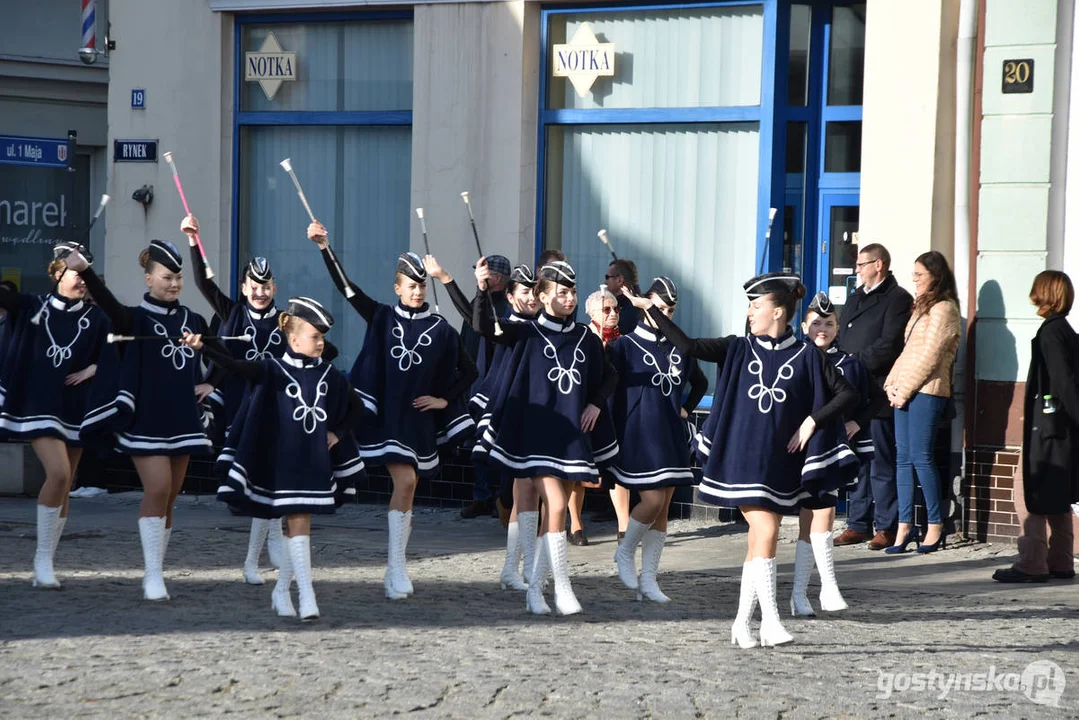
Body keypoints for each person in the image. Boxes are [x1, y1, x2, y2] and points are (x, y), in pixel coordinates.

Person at [632, 272, 859, 647]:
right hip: (742, 461)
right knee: (767, 532)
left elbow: (846, 394)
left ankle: (741, 623)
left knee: (759, 542)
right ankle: (769, 621)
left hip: (780, 465)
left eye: (757, 306)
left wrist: (810, 421)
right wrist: (652, 311)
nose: (750, 313)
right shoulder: (737, 347)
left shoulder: (807, 356)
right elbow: (687, 346)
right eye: (750, 306)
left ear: (779, 312)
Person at [308, 221, 477, 600]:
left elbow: (469, 371)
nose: (417, 291)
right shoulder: (382, 316)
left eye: (421, 286)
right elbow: (348, 290)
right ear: (397, 288)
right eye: (410, 286)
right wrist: (325, 248)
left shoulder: (442, 329)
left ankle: (394, 566)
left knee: (409, 484)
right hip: (380, 415)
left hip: (415, 421)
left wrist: (445, 400)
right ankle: (395, 566)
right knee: (405, 482)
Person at [180, 297, 364, 620]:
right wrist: (204, 348)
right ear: (293, 339)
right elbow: (236, 366)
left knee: (298, 527)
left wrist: (338, 432)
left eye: (323, 337)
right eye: (314, 336)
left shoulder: (329, 375)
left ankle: (282, 590)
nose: (321, 343)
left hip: (314, 464)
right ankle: (307, 595)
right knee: (298, 522)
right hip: (284, 463)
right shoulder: (272, 369)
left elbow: (356, 407)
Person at [68, 241, 214, 600]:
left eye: (178, 277)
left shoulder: (191, 320)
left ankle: (158, 568)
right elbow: (107, 302)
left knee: (171, 497)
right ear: (149, 278)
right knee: (158, 488)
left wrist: (204, 350)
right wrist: (85, 269)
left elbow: (225, 355)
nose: (174, 284)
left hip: (182, 417)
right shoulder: (133, 318)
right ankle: (151, 574)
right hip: (145, 419)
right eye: (167, 277)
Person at [473, 259, 619, 615]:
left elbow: (608, 376)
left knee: (553, 512)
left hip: (569, 436)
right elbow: (482, 325)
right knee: (555, 506)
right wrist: (481, 291)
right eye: (562, 292)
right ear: (541, 295)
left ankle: (535, 590)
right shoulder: (524, 332)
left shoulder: (585, 336)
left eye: (573, 292)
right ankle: (562, 587)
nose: (569, 299)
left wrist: (597, 405)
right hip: (533, 435)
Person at [181, 213, 316, 585]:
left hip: (275, 407)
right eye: (253, 286)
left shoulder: (286, 322)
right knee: (260, 478)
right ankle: (262, 551)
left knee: (267, 478)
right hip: (239, 404)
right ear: (243, 288)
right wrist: (194, 241)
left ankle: (261, 553)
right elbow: (204, 283)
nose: (260, 292)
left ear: (274, 287)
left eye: (266, 286)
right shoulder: (234, 312)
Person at [0, 244, 109, 588]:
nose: (82, 280)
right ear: (57, 273)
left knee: (66, 484)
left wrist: (94, 367)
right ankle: (41, 560)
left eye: (85, 274)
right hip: (38, 405)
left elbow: (117, 350)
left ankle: (47, 559)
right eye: (76, 272)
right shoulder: (33, 306)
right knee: (59, 474)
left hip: (76, 407)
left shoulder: (96, 317)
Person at [608, 277, 707, 602]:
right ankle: (624, 552)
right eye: (660, 307)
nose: (666, 313)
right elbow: (607, 391)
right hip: (638, 434)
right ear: (644, 304)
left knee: (662, 509)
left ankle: (649, 579)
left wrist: (685, 409)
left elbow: (701, 383)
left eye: (671, 309)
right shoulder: (623, 346)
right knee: (650, 502)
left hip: (670, 435)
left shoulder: (680, 346)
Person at [789, 292, 885, 616]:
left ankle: (823, 589)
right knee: (806, 518)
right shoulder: (794, 361)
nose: (822, 328)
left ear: (838, 326)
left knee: (824, 513)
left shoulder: (850, 364)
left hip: (832, 448)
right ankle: (801, 594)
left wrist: (859, 421)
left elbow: (877, 398)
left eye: (828, 323)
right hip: (798, 448)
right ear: (803, 326)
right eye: (816, 322)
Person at [993, 271, 1079, 582]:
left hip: (1047, 430)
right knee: (1056, 497)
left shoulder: (1051, 333)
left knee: (1029, 495)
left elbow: (1064, 384)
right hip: (1059, 430)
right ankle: (1060, 561)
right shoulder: (1065, 331)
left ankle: (1032, 563)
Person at [467, 260, 542, 591]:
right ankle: (519, 567)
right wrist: (481, 290)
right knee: (525, 492)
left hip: (544, 416)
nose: (532, 298)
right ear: (511, 296)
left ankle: (520, 567)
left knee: (532, 494)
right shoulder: (508, 325)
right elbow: (482, 324)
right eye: (525, 291)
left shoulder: (545, 326)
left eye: (536, 292)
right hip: (512, 414)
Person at [835, 243, 913, 549]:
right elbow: (843, 337)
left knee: (881, 459)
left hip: (878, 390)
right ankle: (857, 522)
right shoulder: (855, 298)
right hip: (852, 391)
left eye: (861, 265)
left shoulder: (897, 298)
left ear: (878, 265)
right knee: (858, 460)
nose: (857, 271)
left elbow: (889, 343)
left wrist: (854, 364)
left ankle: (886, 525)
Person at [883, 251, 960, 554]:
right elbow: (908, 351)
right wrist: (891, 384)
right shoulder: (921, 308)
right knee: (902, 458)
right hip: (905, 389)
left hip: (928, 391)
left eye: (919, 274)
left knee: (922, 457)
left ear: (935, 276)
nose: (914, 280)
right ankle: (904, 525)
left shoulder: (944, 309)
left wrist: (905, 390)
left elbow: (931, 356)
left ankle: (935, 524)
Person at [448, 253, 511, 520]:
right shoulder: (482, 300)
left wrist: (447, 281)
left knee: (494, 439)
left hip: (494, 380)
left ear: (497, 278)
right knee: (476, 441)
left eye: (485, 273)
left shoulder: (502, 305)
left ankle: (499, 498)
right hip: (474, 378)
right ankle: (482, 496)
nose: (481, 277)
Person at [603, 258, 640, 336]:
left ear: (619, 280)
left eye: (607, 277)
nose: (605, 282)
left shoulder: (631, 309)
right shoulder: (639, 303)